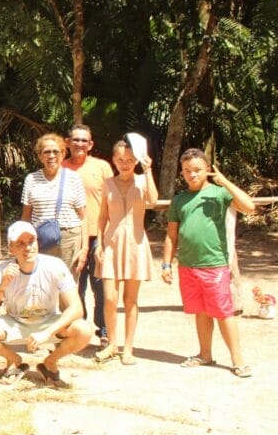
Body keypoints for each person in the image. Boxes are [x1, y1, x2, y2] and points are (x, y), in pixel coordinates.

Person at [162, 149, 255, 378]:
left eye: (197, 170)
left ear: (207, 170)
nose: (192, 174)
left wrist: (224, 182)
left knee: (223, 312)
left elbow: (249, 206)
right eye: (187, 171)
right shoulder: (179, 200)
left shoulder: (219, 194)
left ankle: (238, 360)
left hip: (214, 264)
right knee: (200, 311)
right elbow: (171, 235)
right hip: (187, 265)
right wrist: (166, 264)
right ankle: (205, 354)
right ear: (181, 172)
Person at [0, 222, 94, 388]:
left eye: (31, 241)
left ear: (37, 243)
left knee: (84, 330)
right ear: (11, 249)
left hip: (47, 321)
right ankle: (15, 360)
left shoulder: (54, 265)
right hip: (15, 322)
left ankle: (49, 363)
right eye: (20, 243)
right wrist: (2, 286)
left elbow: (76, 308)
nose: (28, 247)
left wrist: (47, 332)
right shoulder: (2, 270)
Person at [95, 140, 158, 365]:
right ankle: (112, 344)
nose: (125, 163)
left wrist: (148, 170)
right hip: (111, 244)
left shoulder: (143, 181)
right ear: (113, 160)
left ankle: (128, 348)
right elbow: (102, 216)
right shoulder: (107, 183)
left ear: (137, 161)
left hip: (135, 244)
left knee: (130, 300)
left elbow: (153, 199)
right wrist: (99, 244)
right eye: (120, 159)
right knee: (110, 298)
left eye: (130, 160)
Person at [62, 124, 115, 347]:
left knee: (101, 286)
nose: (80, 144)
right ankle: (78, 330)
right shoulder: (60, 168)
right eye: (76, 140)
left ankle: (104, 330)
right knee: (74, 287)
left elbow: (114, 199)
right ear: (67, 142)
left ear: (91, 144)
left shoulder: (102, 167)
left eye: (85, 140)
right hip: (71, 236)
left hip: (99, 236)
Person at [21, 132, 87, 276]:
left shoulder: (74, 178)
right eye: (47, 152)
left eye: (56, 151)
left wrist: (85, 248)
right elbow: (26, 217)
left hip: (69, 238)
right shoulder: (31, 180)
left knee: (67, 286)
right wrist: (23, 243)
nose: (51, 155)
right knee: (43, 285)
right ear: (40, 156)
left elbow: (83, 217)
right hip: (41, 239)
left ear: (63, 154)